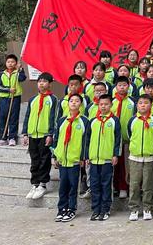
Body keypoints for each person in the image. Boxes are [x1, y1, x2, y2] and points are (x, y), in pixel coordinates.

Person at [52, 93, 88, 222]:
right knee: (63, 186)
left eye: (77, 101)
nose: (73, 103)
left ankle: (71, 209)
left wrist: (83, 158)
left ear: (81, 104)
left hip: (74, 160)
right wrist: (54, 156)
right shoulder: (62, 120)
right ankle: (62, 209)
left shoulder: (84, 121)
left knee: (73, 186)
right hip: (62, 160)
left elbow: (85, 142)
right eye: (71, 101)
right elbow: (56, 139)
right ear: (68, 104)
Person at [22, 72, 57, 199]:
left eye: (44, 81)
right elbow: (27, 117)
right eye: (39, 81)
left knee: (44, 160)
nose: (41, 83)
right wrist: (25, 133)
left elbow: (54, 118)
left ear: (50, 84)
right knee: (34, 159)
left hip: (44, 135)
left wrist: (50, 134)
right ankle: (35, 183)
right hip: (33, 135)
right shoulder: (32, 99)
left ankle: (42, 184)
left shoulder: (53, 100)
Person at [85, 94, 121, 221]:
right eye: (101, 104)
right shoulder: (93, 121)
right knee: (94, 185)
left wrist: (115, 154)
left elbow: (118, 139)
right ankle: (96, 209)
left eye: (106, 104)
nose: (103, 106)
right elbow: (87, 139)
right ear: (98, 105)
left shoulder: (114, 121)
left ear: (111, 105)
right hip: (94, 159)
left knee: (106, 185)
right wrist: (87, 155)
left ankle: (105, 209)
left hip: (107, 159)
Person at [127, 94, 153, 221]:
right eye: (140, 103)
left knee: (148, 185)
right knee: (134, 184)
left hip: (149, 158)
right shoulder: (133, 120)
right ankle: (134, 209)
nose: (143, 105)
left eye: (146, 103)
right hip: (135, 157)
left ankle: (147, 208)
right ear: (137, 105)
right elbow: (129, 134)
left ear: (150, 105)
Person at [0, 54, 27, 146]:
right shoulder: (2, 74)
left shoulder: (18, 73)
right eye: (8, 62)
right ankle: (3, 137)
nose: (10, 64)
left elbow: (22, 78)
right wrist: (8, 89)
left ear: (16, 63)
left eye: (12, 62)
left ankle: (12, 138)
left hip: (15, 98)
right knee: (3, 118)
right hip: (4, 99)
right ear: (6, 63)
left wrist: (21, 69)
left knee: (13, 118)